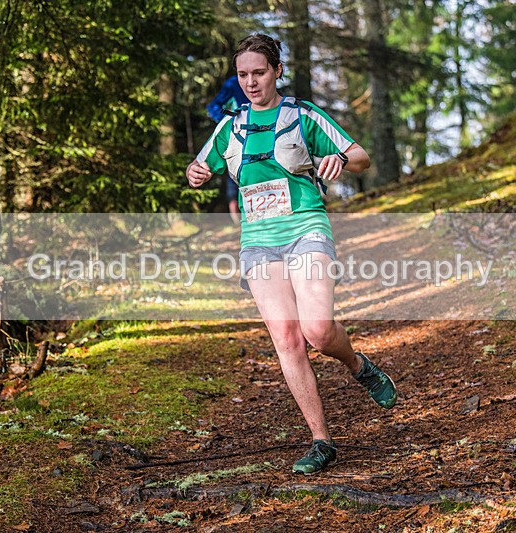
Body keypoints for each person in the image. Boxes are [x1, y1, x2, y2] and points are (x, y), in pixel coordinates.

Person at [186, 34, 397, 475]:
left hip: (305, 229)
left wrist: (342, 161)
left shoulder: (301, 115)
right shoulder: (230, 126)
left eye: (259, 73)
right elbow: (201, 165)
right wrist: (196, 173)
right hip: (258, 242)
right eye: (243, 75)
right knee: (286, 338)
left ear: (277, 71)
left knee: (318, 330)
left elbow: (361, 156)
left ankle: (358, 365)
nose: (250, 82)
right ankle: (321, 441)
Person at [206, 75, 250, 224]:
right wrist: (229, 123)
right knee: (235, 173)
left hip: (264, 135)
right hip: (239, 137)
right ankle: (237, 219)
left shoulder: (265, 78)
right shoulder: (233, 82)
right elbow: (213, 107)